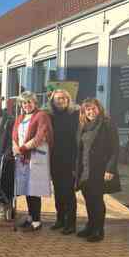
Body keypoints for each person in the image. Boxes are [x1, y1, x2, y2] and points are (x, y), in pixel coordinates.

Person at [75, 98, 121, 242]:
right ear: (84, 112)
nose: (90, 111)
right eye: (87, 109)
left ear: (99, 108)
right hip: (84, 169)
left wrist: (110, 169)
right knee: (88, 199)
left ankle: (98, 230)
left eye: (93, 108)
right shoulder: (83, 126)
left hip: (99, 169)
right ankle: (90, 225)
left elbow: (115, 149)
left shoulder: (107, 124)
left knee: (97, 200)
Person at [12, 91, 54, 232]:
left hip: (36, 157)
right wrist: (16, 148)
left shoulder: (42, 115)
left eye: (29, 102)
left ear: (35, 103)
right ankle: (30, 217)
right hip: (23, 158)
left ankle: (36, 221)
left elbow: (40, 137)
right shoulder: (20, 117)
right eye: (24, 102)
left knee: (34, 189)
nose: (27, 105)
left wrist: (22, 148)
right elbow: (14, 136)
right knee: (27, 189)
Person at [47, 89, 79, 235]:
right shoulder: (50, 116)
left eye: (64, 98)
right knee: (58, 192)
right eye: (58, 99)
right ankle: (60, 220)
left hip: (70, 160)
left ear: (68, 100)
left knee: (69, 193)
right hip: (54, 160)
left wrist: (76, 163)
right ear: (53, 101)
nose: (61, 101)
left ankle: (70, 223)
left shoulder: (75, 115)